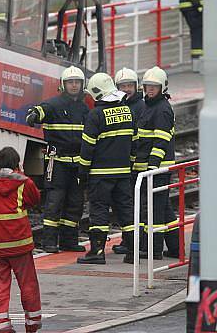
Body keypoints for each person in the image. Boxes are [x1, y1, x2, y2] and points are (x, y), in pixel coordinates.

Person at [0, 147, 42, 333]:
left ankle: (3, 326)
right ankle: (33, 323)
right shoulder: (24, 182)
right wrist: (22, 175)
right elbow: (35, 199)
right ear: (16, 164)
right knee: (28, 284)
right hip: (20, 244)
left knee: (0, 286)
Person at [26, 66, 89, 253]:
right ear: (63, 84)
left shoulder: (84, 109)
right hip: (57, 162)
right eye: (70, 82)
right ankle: (49, 242)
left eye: (77, 82)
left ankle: (69, 241)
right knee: (55, 201)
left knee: (75, 202)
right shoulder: (54, 104)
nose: (74, 85)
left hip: (77, 163)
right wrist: (34, 115)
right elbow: (40, 110)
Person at [76, 73, 136, 265]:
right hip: (123, 172)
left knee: (99, 212)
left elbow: (87, 148)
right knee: (126, 210)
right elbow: (134, 142)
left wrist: (82, 172)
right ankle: (133, 251)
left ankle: (97, 251)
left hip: (100, 174)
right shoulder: (127, 110)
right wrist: (130, 165)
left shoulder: (95, 115)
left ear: (95, 93)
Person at [133, 66, 179, 260]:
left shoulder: (162, 110)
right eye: (147, 86)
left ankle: (154, 249)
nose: (150, 90)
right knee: (163, 208)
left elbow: (160, 142)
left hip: (157, 168)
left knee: (154, 210)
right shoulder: (148, 105)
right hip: (149, 167)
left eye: (154, 87)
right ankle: (176, 247)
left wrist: (152, 166)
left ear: (163, 88)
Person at [112, 68, 145, 255]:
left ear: (136, 86)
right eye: (123, 86)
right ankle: (128, 241)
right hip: (124, 162)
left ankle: (133, 242)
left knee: (131, 205)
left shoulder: (139, 107)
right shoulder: (120, 105)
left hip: (134, 163)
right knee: (124, 205)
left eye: (130, 86)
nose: (127, 89)